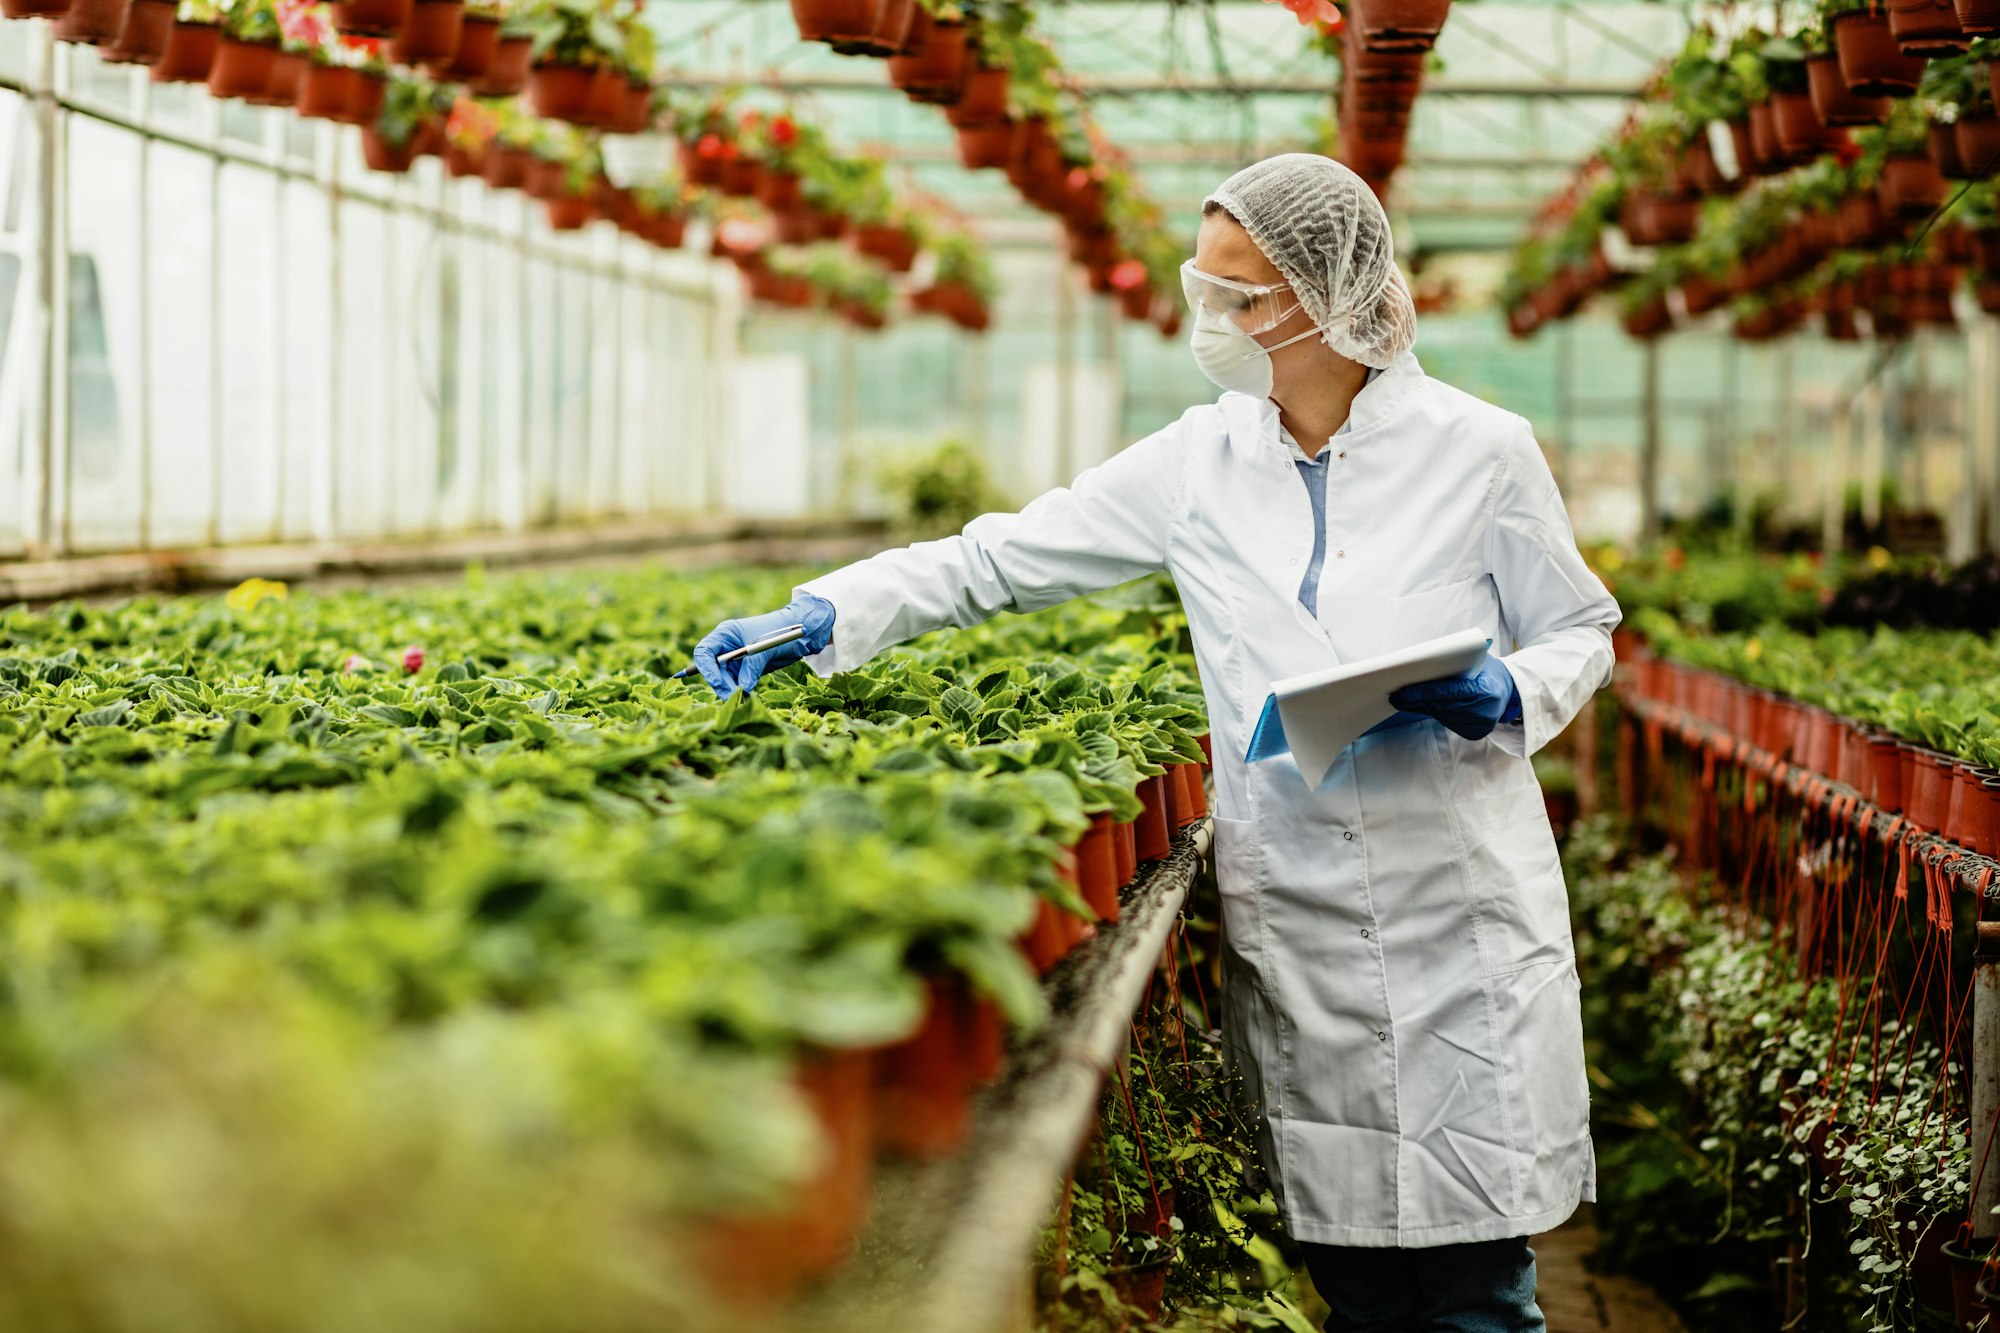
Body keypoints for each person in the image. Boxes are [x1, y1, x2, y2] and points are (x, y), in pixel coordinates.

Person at [691, 153, 1619, 1333]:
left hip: (1460, 922)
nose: (1209, 315)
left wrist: (1510, 690)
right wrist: (828, 612)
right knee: (1360, 1289)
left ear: (1325, 296)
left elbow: (1579, 626)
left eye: (1237, 293)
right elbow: (996, 561)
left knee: (1481, 1292)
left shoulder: (1478, 450)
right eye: (1206, 283)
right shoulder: (1196, 462)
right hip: (1303, 920)